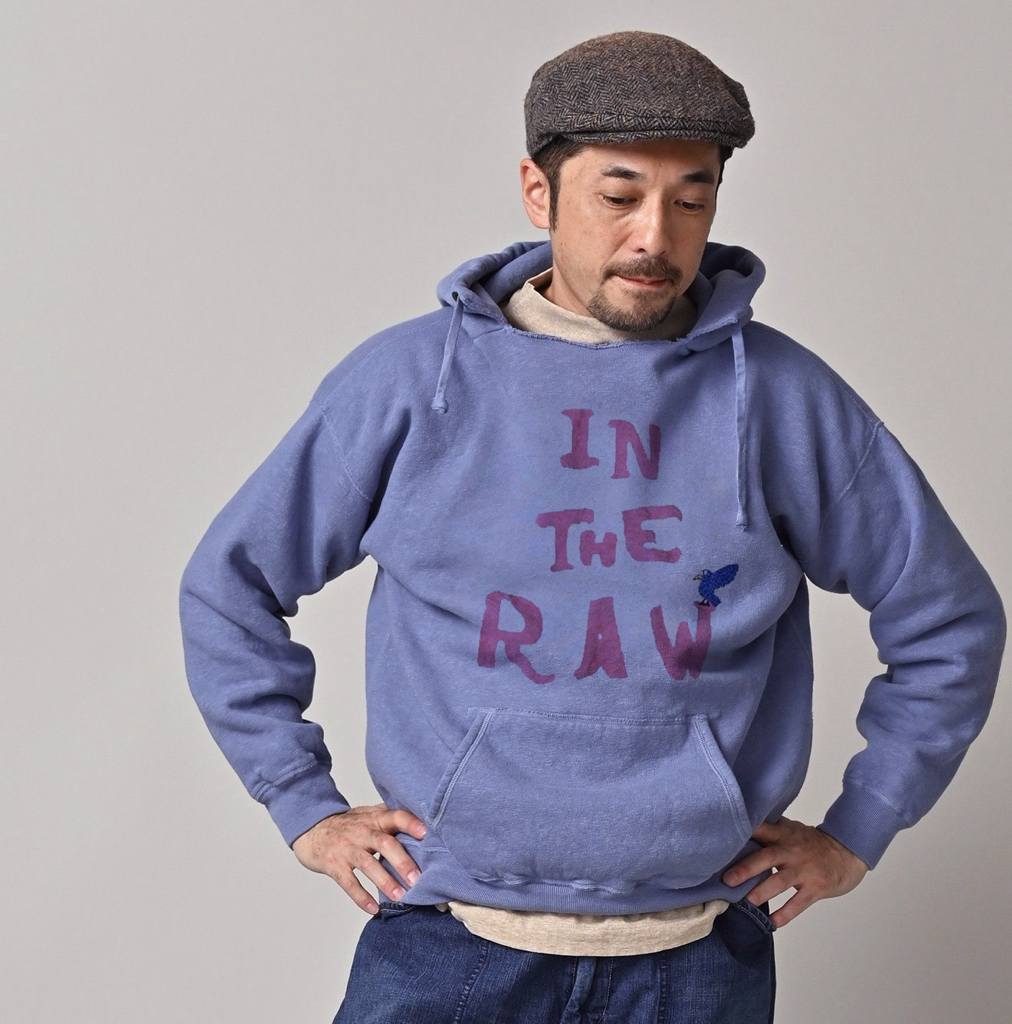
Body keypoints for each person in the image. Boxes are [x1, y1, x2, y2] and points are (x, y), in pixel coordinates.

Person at [178, 30, 1006, 1023]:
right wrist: (302, 803)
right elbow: (230, 586)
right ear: (539, 192)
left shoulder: (783, 399)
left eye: (691, 199)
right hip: (449, 942)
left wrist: (861, 825)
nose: (655, 236)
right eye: (618, 196)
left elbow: (948, 619)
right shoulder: (411, 383)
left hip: (698, 955)